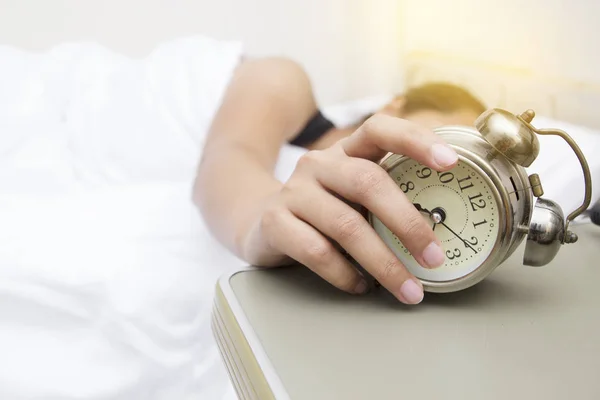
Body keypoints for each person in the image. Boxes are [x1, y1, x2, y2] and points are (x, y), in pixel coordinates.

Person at [193, 57, 487, 306]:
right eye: (436, 147)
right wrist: (260, 224)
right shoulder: (281, 82)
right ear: (393, 108)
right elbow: (230, 157)